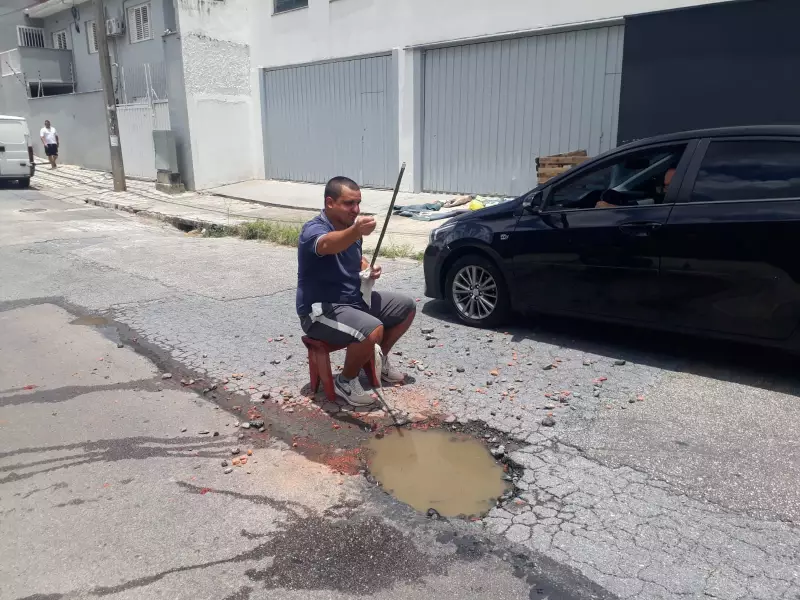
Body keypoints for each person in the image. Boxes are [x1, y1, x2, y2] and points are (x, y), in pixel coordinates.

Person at [297, 176, 416, 407]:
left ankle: (377, 360)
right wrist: (356, 230)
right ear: (330, 202)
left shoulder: (350, 230)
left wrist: (367, 269)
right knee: (372, 329)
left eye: (358, 203)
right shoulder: (314, 230)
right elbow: (327, 245)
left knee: (406, 307)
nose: (356, 209)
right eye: (349, 203)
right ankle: (346, 381)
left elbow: (354, 258)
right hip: (320, 312)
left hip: (353, 300)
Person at [595, 167, 677, 209]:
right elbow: (638, 206)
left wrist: (610, 208)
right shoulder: (660, 200)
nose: (665, 189)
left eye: (669, 185)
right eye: (665, 185)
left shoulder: (675, 206)